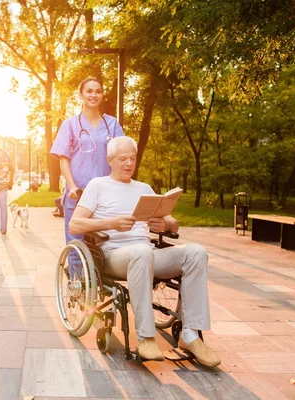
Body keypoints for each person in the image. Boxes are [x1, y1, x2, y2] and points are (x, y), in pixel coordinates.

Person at [69, 136, 220, 368]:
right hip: (113, 256)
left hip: (147, 253)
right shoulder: (98, 186)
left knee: (196, 252)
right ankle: (146, 337)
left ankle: (190, 335)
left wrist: (166, 225)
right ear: (110, 160)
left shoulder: (144, 188)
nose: (129, 163)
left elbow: (173, 222)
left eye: (132, 158)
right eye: (123, 159)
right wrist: (111, 223)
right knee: (142, 251)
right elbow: (75, 225)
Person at [50, 77, 124, 244]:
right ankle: (76, 271)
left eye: (98, 91)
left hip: (106, 193)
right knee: (76, 241)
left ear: (102, 95)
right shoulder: (70, 124)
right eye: (89, 91)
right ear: (80, 95)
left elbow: (122, 155)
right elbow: (63, 158)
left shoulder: (112, 124)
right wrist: (72, 186)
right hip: (78, 192)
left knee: (105, 242)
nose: (94, 95)